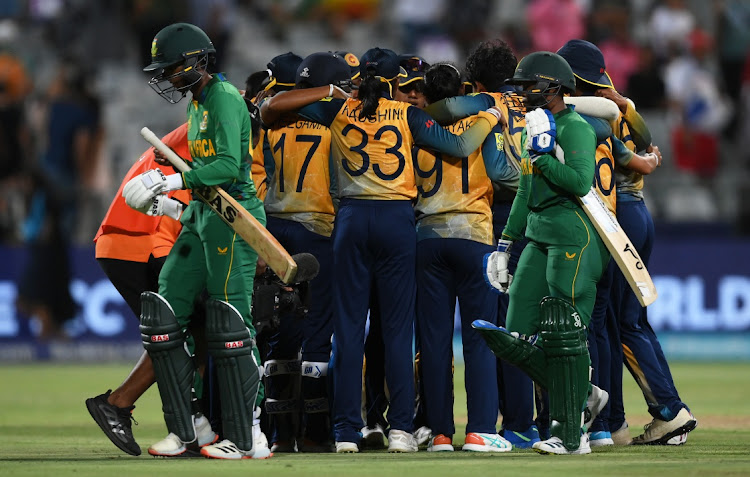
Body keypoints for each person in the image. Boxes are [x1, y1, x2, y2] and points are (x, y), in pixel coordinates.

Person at [260, 46, 504, 454]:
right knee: (397, 331)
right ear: (394, 83)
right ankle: (401, 430)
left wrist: (329, 93)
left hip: (352, 221)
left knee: (350, 330)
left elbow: (270, 108)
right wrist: (490, 114)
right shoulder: (407, 114)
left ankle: (344, 431)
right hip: (396, 222)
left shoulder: (340, 110)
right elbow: (458, 147)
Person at [124, 22, 270, 459]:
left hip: (233, 218)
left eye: (172, 68)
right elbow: (206, 168)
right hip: (203, 214)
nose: (168, 77)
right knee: (163, 314)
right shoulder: (199, 102)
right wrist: (168, 201)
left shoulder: (224, 99)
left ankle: (251, 435)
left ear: (197, 61)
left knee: (231, 319)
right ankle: (188, 430)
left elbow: (227, 167)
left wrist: (171, 179)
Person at [558, 38, 697, 446]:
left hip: (616, 212)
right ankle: (623, 420)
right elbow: (644, 137)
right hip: (636, 210)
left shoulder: (585, 109)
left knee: (616, 325)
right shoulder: (622, 104)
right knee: (624, 322)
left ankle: (662, 412)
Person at [477, 51, 610, 455]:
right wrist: (505, 242)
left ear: (555, 87)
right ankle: (584, 393)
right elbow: (524, 193)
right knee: (515, 335)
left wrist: (545, 155)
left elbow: (581, 181)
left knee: (565, 332)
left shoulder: (575, 128)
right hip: (536, 234)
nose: (522, 94)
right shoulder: (531, 129)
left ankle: (572, 434)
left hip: (573, 235)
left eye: (530, 86)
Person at [423, 38, 539, 448]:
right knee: (511, 327)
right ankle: (510, 425)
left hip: (463, 225)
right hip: (517, 218)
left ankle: (439, 431)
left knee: (450, 337)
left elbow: (445, 112)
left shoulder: (473, 107)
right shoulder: (533, 104)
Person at [414, 62, 512, 453]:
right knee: (481, 338)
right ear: (463, 92)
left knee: (434, 342)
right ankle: (480, 430)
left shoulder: (415, 126)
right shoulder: (482, 128)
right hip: (474, 237)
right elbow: (502, 175)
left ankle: (439, 433)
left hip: (428, 238)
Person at [86, 124, 195, 457]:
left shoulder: (206, 123)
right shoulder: (220, 127)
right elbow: (169, 208)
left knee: (180, 335)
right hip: (143, 240)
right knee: (180, 334)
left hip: (128, 237)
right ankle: (123, 404)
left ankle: (190, 426)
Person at [261, 52, 349, 453]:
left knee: (281, 332)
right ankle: (315, 432)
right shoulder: (338, 121)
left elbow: (269, 107)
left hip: (274, 229)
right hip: (317, 231)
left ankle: (279, 435)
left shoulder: (274, 120)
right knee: (318, 336)